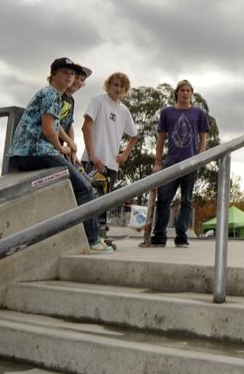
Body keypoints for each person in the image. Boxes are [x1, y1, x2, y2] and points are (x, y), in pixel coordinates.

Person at [7, 57, 110, 254]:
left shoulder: (55, 96)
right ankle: (93, 239)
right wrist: (60, 148)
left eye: (72, 74)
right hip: (36, 152)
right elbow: (48, 129)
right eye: (64, 73)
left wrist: (69, 145)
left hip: (24, 153)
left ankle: (82, 235)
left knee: (72, 184)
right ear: (52, 76)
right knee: (85, 188)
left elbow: (57, 126)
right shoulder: (52, 94)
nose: (69, 77)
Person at [150, 79, 210, 247]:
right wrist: (157, 163)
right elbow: (161, 138)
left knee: (186, 201)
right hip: (171, 163)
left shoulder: (198, 113)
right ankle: (159, 236)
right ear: (176, 93)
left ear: (192, 94)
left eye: (188, 90)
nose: (185, 93)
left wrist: (200, 158)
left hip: (191, 163)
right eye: (182, 90)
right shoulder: (167, 112)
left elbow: (203, 137)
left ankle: (181, 236)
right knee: (163, 199)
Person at [82, 72, 139, 235]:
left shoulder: (124, 111)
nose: (118, 88)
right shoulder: (98, 101)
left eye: (122, 86)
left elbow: (134, 136)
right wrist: (92, 155)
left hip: (111, 163)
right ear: (109, 85)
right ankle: (87, 235)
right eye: (115, 84)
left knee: (105, 201)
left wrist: (125, 154)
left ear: (125, 89)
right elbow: (86, 127)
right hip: (93, 160)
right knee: (89, 198)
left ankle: (99, 235)